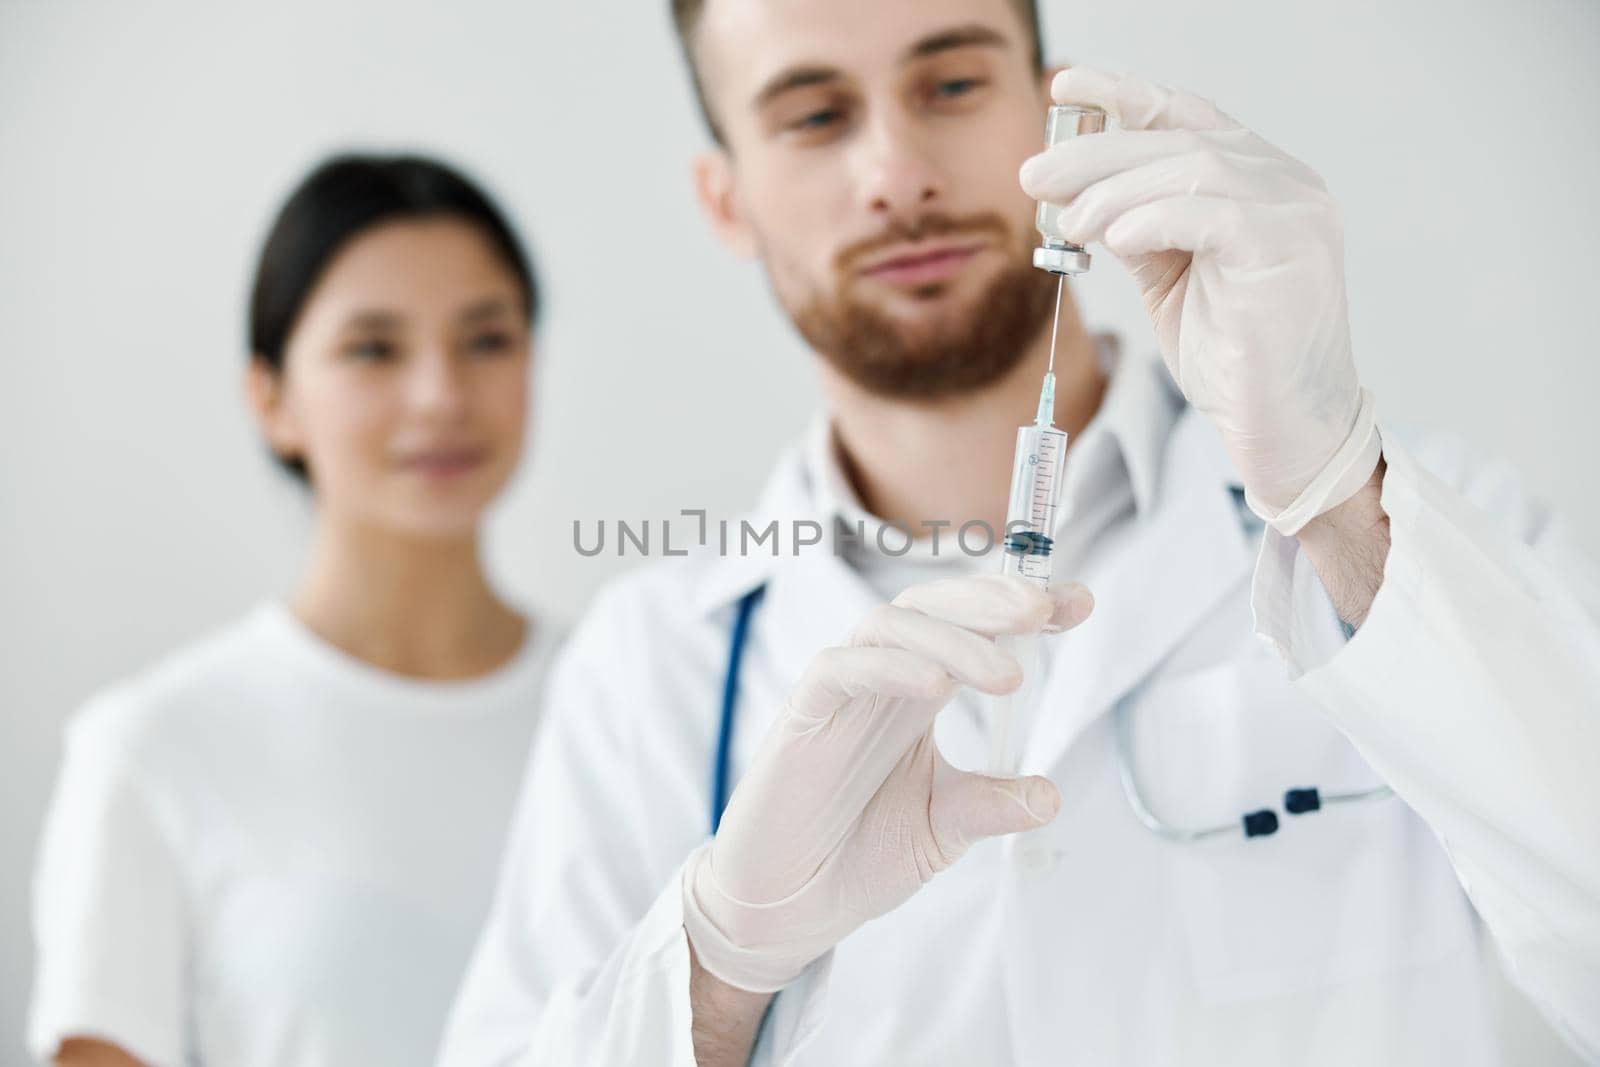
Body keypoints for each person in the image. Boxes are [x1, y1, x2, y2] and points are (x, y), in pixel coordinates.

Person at [440, 1, 1600, 1064]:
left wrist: (1335, 492)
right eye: (813, 115)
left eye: (949, 87)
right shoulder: (651, 666)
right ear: (725, 198)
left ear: (1056, 120)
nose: (896, 173)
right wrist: (716, 966)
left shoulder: (1408, 515)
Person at [28, 154, 557, 1067]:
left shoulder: (632, 698)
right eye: (373, 349)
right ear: (272, 399)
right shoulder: (153, 749)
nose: (441, 393)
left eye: (487, 338)